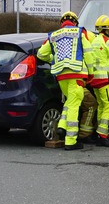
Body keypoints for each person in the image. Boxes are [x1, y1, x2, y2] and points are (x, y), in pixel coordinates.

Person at [37, 11, 94, 150]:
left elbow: (40, 54)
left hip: (61, 76)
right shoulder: (80, 33)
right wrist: (91, 72)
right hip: (76, 74)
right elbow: (89, 53)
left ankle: (62, 126)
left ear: (62, 22)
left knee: (69, 102)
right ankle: (71, 141)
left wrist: (54, 60)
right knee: (75, 105)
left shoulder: (54, 36)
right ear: (75, 22)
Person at [88, 15, 109, 147]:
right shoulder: (108, 42)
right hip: (105, 80)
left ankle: (100, 132)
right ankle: (102, 134)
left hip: (95, 80)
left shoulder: (94, 41)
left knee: (102, 106)